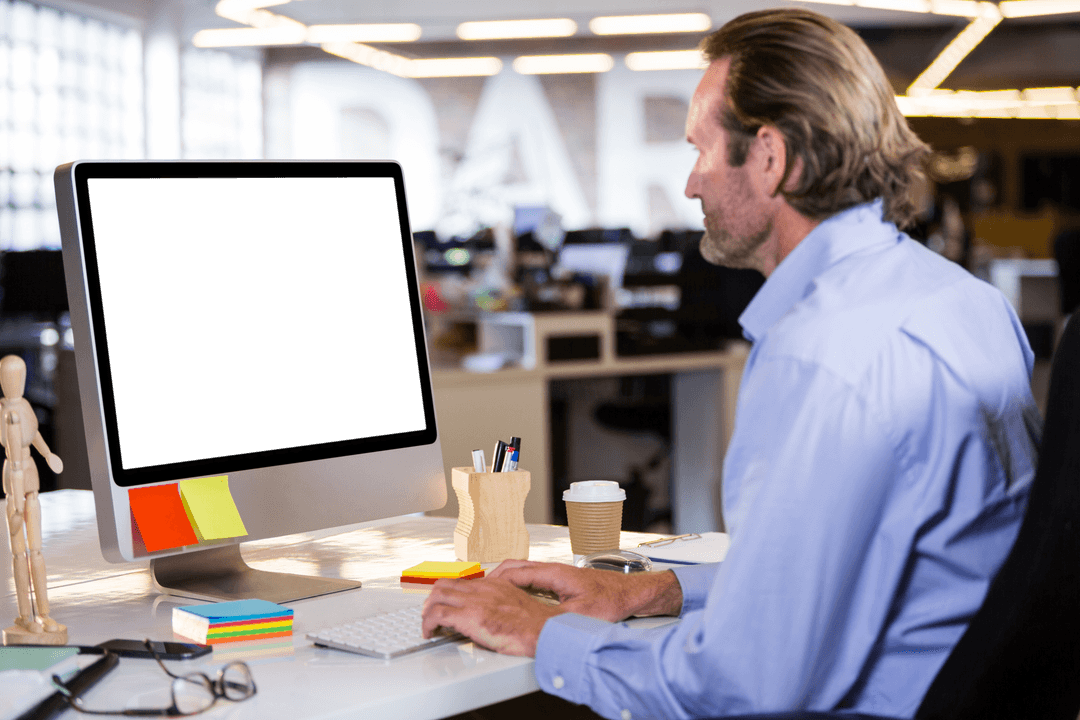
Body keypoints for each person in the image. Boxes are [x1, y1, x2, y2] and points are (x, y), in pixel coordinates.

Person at [422, 8, 1040, 718]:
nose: (692, 184)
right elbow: (841, 570)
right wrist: (653, 589)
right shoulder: (965, 302)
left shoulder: (821, 356)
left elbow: (745, 682)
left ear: (770, 156)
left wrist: (542, 633)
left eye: (701, 151)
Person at [2, 354, 67, 644]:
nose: (16, 381)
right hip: (14, 474)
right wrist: (15, 505)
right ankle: (26, 615)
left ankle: (44, 613)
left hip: (29, 471)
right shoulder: (6, 412)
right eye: (10, 376)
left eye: (19, 375)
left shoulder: (24, 406)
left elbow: (35, 433)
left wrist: (47, 454)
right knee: (20, 553)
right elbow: (13, 454)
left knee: (36, 551)